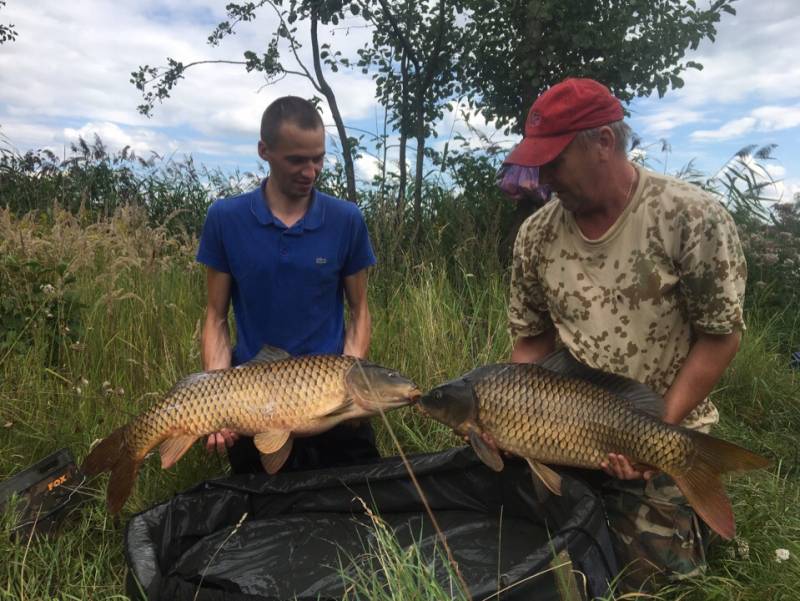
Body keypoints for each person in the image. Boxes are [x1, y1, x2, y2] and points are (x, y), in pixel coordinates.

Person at [503, 78, 746, 590]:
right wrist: (508, 411)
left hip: (662, 428)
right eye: (538, 163)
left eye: (555, 162)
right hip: (564, 429)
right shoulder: (536, 235)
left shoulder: (689, 216)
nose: (544, 178)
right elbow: (531, 341)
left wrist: (655, 433)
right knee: (527, 566)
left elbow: (720, 336)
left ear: (604, 144)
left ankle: (691, 505)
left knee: (651, 588)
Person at [196, 95, 379, 474]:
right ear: (264, 150)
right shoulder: (225, 219)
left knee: (359, 515)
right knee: (260, 519)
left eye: (318, 159)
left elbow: (359, 311)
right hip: (253, 402)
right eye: (297, 160)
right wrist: (214, 395)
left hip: (330, 400)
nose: (310, 172)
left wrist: (353, 388)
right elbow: (215, 316)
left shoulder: (346, 219)